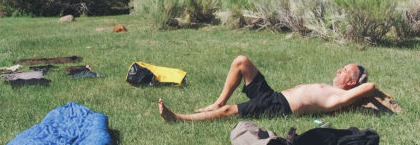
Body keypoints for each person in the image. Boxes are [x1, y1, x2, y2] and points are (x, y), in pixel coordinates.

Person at [159, 55, 377, 122]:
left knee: (231, 113)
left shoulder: (339, 98)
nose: (339, 70)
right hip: (274, 96)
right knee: (241, 61)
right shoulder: (333, 91)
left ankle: (179, 118)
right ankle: (218, 102)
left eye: (345, 70)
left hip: (278, 107)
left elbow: (370, 86)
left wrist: (381, 97)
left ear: (351, 82)